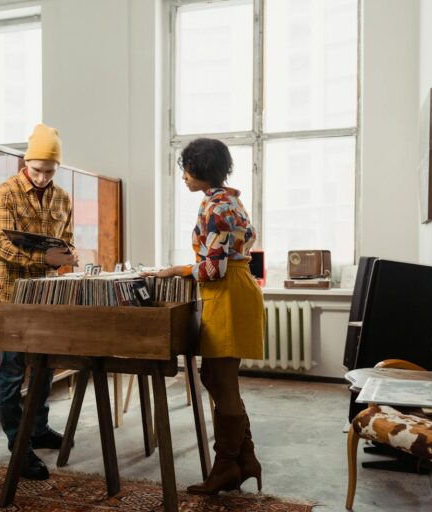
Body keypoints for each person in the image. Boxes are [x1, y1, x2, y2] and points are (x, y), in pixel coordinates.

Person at [142, 138, 264, 495]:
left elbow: (213, 268)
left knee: (221, 379)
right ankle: (243, 459)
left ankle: (227, 465)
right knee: (216, 375)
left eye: (186, 168)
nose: (183, 176)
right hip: (230, 292)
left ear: (201, 169)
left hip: (227, 293)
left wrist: (174, 270)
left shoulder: (218, 207)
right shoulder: (226, 200)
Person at [0, 123, 78, 480]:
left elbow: (66, 243)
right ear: (26, 162)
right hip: (11, 297)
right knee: (12, 373)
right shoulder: (5, 193)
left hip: (47, 297)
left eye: (49, 171)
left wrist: (66, 257)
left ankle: (38, 429)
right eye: (36, 169)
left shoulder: (63, 199)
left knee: (45, 368)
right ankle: (19, 444)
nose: (42, 177)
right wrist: (42, 259)